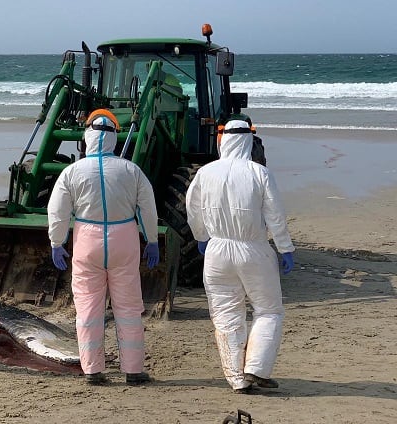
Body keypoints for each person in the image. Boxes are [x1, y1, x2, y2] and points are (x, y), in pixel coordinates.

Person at [47, 110, 160, 386]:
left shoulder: (72, 172)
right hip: (124, 237)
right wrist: (152, 239)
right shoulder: (130, 170)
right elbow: (148, 207)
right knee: (129, 307)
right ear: (112, 138)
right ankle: (133, 370)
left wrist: (57, 241)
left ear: (87, 137)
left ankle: (93, 370)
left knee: (87, 307)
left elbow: (58, 210)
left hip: (87, 238)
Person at [185, 119, 295, 394]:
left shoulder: (206, 173)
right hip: (253, 249)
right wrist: (285, 248)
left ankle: (237, 379)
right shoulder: (260, 173)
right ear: (248, 140)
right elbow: (275, 215)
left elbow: (192, 209)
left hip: (217, 251)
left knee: (226, 315)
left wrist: (201, 237)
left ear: (222, 140)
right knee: (269, 309)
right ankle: (256, 368)